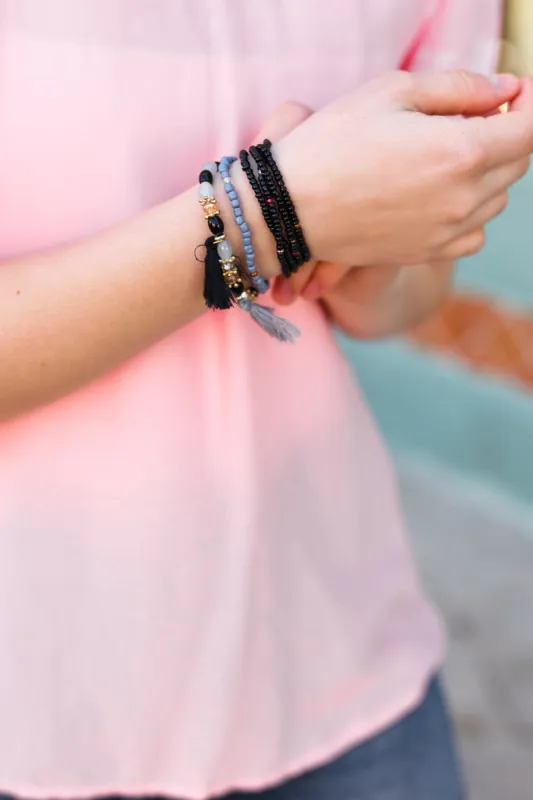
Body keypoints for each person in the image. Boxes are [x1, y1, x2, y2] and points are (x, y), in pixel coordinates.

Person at [0, 1, 530, 799]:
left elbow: (411, 296)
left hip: (338, 669)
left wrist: (363, 236)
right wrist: (273, 211)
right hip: (33, 704)